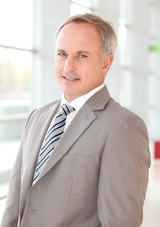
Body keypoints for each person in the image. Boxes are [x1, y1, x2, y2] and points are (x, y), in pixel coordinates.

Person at [1, 13, 150, 227]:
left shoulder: (123, 128)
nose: (68, 67)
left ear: (105, 64)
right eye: (62, 54)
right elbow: (13, 206)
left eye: (81, 56)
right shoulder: (37, 117)